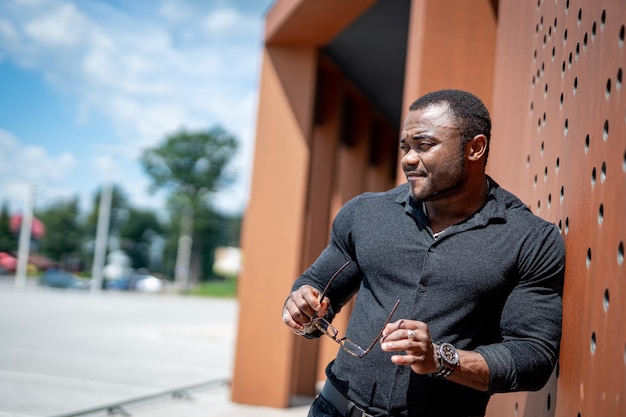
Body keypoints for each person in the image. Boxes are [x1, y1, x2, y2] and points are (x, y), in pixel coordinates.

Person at [281, 89, 565, 417]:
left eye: (424, 145)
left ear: (475, 148)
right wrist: (301, 309)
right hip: (334, 408)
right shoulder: (366, 213)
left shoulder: (530, 238)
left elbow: (533, 357)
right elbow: (317, 290)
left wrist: (439, 359)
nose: (407, 159)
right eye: (405, 146)